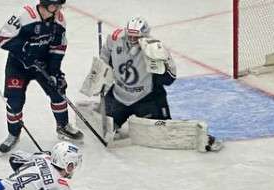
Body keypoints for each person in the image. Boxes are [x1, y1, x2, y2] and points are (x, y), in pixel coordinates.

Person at [93, 18, 220, 152]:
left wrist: (160, 67)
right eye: (130, 36)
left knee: (163, 133)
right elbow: (105, 55)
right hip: (119, 96)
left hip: (146, 99)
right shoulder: (115, 39)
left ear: (145, 36)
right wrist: (103, 70)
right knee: (101, 127)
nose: (132, 40)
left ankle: (201, 137)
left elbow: (170, 78)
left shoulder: (156, 48)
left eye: (136, 37)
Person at [0, 0, 82, 153]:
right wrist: (24, 54)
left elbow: (59, 47)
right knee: (14, 102)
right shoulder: (25, 16)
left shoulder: (59, 20)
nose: (59, 9)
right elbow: (3, 39)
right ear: (47, 4)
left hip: (43, 63)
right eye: (56, 6)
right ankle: (13, 134)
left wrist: (54, 71)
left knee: (58, 90)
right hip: (18, 65)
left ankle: (63, 126)